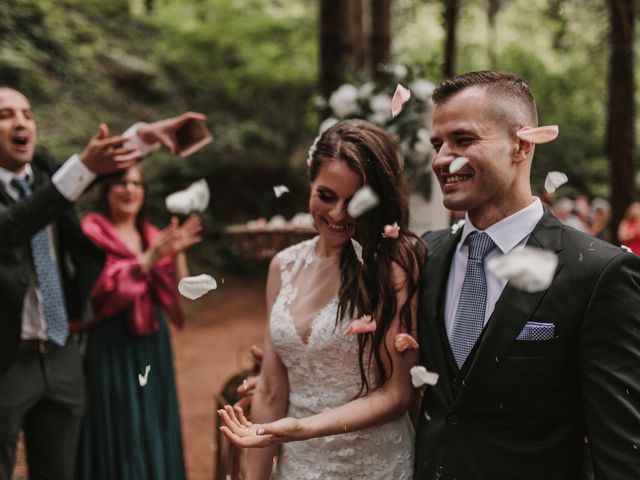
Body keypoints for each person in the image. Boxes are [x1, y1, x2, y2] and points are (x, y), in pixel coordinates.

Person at [415, 70, 640, 479]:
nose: (442, 159)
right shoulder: (424, 254)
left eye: (463, 140)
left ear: (521, 144)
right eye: (438, 144)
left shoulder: (597, 272)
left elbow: (621, 445)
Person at [0, 85, 205, 480]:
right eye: (6, 114)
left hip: (62, 355)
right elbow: (12, 225)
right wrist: (84, 167)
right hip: (6, 359)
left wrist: (144, 137)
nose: (21, 121)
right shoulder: (53, 186)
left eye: (27, 113)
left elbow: (89, 175)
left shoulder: (45, 171)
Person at [218, 119, 425, 479]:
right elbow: (270, 387)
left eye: (354, 202)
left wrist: (304, 427)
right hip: (296, 465)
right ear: (310, 186)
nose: (338, 214)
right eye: (326, 196)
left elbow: (397, 395)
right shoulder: (283, 266)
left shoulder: (393, 265)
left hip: (371, 465)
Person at [74, 165, 202, 480]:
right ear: (106, 189)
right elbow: (95, 291)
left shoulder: (151, 233)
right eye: (121, 182)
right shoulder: (92, 230)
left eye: (137, 183)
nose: (130, 189)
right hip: (111, 341)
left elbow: (178, 292)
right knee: (117, 417)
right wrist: (148, 259)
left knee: (151, 416)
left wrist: (178, 253)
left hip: (152, 343)